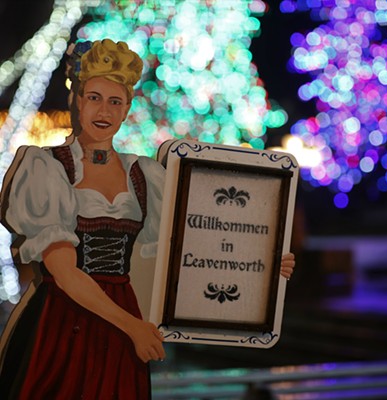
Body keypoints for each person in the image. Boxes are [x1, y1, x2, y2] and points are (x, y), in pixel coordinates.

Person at [0, 39, 295, 399]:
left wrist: (259, 266)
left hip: (126, 318)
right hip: (67, 319)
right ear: (76, 99)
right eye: (94, 97)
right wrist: (133, 328)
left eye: (115, 101)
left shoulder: (143, 172)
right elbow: (63, 271)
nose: (104, 110)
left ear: (126, 109)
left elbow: (189, 248)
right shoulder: (46, 167)